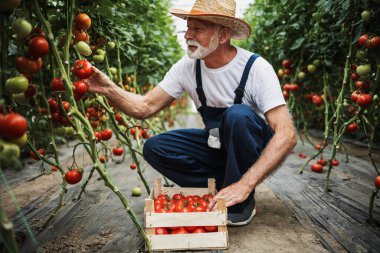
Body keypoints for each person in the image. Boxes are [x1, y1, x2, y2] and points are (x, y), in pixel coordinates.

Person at [86, 0, 297, 226]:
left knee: (238, 115)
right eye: (188, 27)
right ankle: (223, 186)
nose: (188, 35)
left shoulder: (256, 68)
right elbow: (144, 107)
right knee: (155, 147)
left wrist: (246, 183)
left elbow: (287, 134)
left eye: (198, 29)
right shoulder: (187, 67)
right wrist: (107, 88)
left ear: (223, 35)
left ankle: (241, 199)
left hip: (249, 148)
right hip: (217, 147)